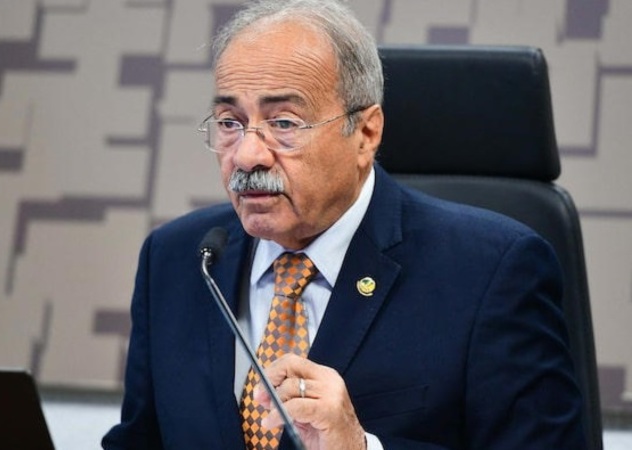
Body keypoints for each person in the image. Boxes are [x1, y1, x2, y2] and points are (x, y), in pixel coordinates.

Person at [102, 0, 586, 448]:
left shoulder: (491, 273)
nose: (247, 155)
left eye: (284, 123)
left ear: (366, 133)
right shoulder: (179, 258)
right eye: (230, 122)